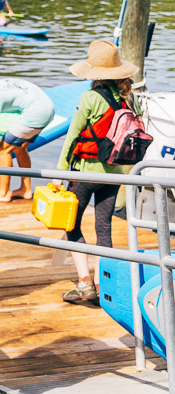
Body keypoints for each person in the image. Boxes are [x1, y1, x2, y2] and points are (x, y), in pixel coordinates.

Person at [57, 40, 142, 303]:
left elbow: (72, 137)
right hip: (115, 173)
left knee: (70, 225)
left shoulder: (90, 98)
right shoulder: (131, 98)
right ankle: (103, 284)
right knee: (103, 228)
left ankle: (85, 283)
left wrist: (61, 173)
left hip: (86, 173)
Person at [0, 78, 55, 201]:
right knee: (19, 147)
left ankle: (3, 193)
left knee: (3, 150)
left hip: (36, 113)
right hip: (47, 108)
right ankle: (25, 190)